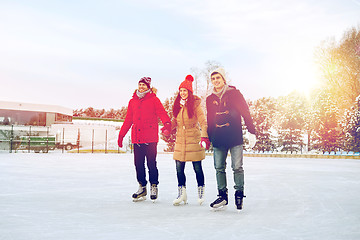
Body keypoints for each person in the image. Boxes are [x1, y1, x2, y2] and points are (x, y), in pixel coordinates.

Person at [206, 67, 256, 211]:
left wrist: (251, 131)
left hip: (234, 135)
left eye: (218, 78)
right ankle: (222, 196)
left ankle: (239, 194)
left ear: (223, 79)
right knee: (219, 167)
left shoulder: (234, 94)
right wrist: (209, 137)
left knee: (237, 167)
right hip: (218, 137)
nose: (216, 81)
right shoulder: (210, 99)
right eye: (213, 79)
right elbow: (210, 119)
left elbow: (245, 112)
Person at [117, 77, 171, 202]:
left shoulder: (154, 100)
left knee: (151, 163)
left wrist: (167, 124)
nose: (141, 87)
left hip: (151, 138)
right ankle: (142, 187)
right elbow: (128, 119)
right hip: (137, 138)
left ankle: (153, 185)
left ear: (148, 87)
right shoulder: (132, 101)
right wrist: (121, 135)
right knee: (138, 164)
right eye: (140, 85)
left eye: (144, 85)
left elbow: (162, 113)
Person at [172, 75, 210, 206]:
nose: (182, 93)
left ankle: (201, 191)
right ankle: (182, 193)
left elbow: (203, 122)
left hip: (193, 139)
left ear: (189, 92)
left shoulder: (195, 105)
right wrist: (167, 127)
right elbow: (174, 121)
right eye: (181, 90)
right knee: (178, 168)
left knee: (197, 167)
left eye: (185, 91)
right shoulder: (178, 104)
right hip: (181, 140)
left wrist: (204, 136)